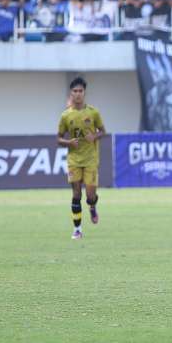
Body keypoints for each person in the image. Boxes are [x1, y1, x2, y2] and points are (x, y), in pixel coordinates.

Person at [56, 76, 106, 240]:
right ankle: (77, 229)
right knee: (76, 194)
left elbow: (103, 131)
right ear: (71, 93)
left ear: (84, 93)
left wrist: (95, 136)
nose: (78, 94)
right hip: (74, 161)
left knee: (90, 196)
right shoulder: (65, 116)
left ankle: (92, 206)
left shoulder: (93, 112)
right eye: (75, 91)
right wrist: (68, 142)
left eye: (80, 91)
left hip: (91, 159)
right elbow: (58, 139)